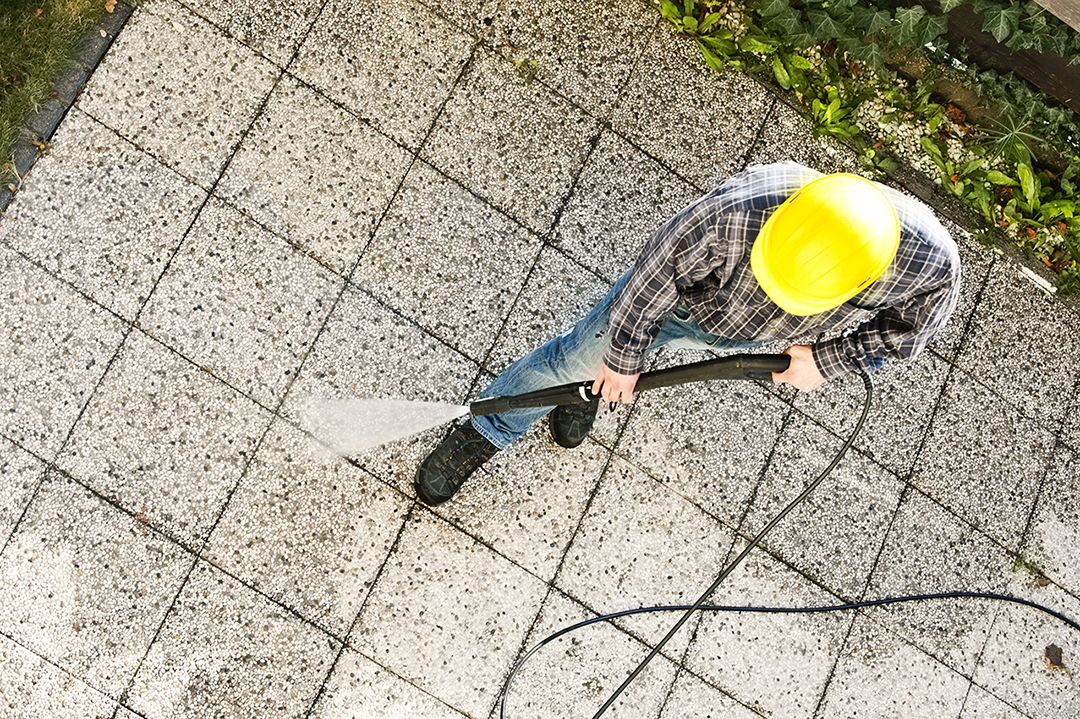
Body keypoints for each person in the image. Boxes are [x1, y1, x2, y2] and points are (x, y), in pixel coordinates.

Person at [414, 161, 961, 506]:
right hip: (685, 306)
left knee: (601, 373)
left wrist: (830, 360)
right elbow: (651, 283)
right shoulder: (733, 211)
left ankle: (591, 392)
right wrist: (624, 357)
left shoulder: (929, 262)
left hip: (749, 338)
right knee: (576, 360)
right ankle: (487, 429)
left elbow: (907, 335)